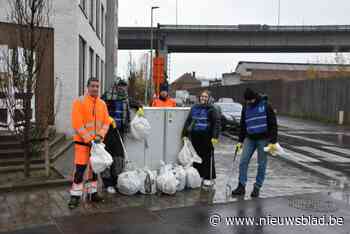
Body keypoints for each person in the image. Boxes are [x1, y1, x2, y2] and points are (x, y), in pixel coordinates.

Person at [69, 77, 111, 209]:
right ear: (87, 87)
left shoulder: (102, 104)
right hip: (82, 144)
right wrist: (89, 139)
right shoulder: (79, 102)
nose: (95, 88)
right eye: (92, 86)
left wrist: (100, 136)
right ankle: (75, 196)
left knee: (94, 170)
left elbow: (106, 122)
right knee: (80, 171)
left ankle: (93, 193)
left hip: (96, 144)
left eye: (97, 86)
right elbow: (77, 124)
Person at [231, 88, 278, 198]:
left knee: (261, 164)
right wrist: (240, 141)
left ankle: (257, 187)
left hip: (264, 139)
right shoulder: (246, 106)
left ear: (254, 98)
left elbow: (273, 124)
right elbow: (243, 124)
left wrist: (273, 141)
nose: (248, 103)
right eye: (247, 101)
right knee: (243, 161)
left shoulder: (265, 105)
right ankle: (241, 186)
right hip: (249, 138)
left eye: (250, 101)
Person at [101, 79, 143, 193]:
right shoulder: (107, 96)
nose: (122, 89)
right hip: (107, 131)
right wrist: (107, 119)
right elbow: (99, 107)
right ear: (116, 86)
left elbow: (134, 103)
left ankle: (116, 180)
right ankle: (107, 182)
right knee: (106, 157)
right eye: (120, 86)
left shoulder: (125, 98)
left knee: (118, 156)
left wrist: (140, 108)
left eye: (124, 87)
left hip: (120, 131)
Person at [182, 90, 220, 187]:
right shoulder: (194, 107)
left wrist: (215, 136)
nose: (203, 98)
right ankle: (199, 175)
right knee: (197, 156)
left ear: (209, 98)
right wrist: (184, 134)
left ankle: (208, 177)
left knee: (207, 157)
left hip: (207, 136)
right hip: (195, 136)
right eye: (202, 96)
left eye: (205, 97)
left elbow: (216, 123)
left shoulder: (212, 109)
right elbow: (188, 121)